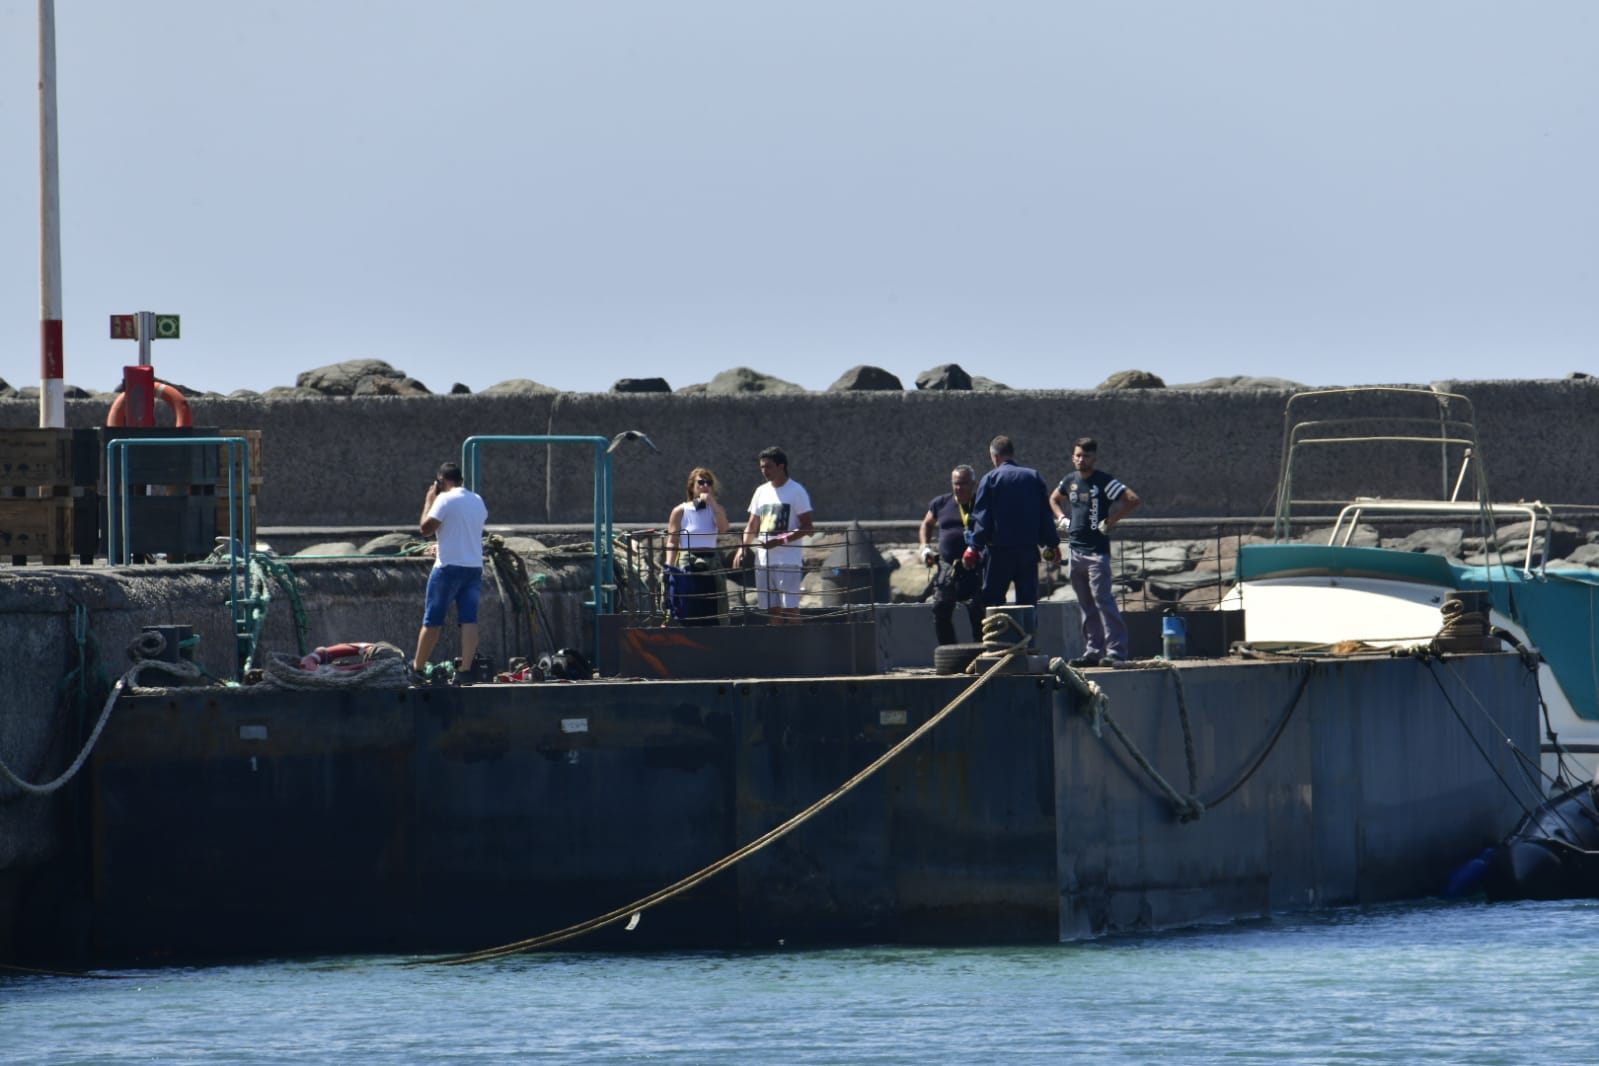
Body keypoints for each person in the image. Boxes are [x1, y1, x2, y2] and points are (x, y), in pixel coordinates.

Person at [1050, 436, 1141, 667]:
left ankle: (1117, 650)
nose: (1081, 460)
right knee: (1085, 603)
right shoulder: (1069, 481)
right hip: (1075, 549)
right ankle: (1093, 650)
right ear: (1073, 457)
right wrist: (1061, 518)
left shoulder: (1103, 481)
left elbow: (1131, 499)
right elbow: (1053, 498)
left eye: (1086, 456)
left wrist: (1110, 521)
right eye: (1078, 455)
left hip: (1096, 552)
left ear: (1094, 458)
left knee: (1103, 599)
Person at [412, 460, 489, 681]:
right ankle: (465, 670)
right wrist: (442, 545)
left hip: (447, 569)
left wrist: (429, 501)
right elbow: (464, 530)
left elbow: (425, 529)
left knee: (433, 620)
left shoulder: (444, 499)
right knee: (469, 620)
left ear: (442, 481)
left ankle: (417, 668)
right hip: (473, 568)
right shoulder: (477, 500)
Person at [968, 436, 1060, 607]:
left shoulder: (990, 479)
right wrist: (1052, 544)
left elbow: (982, 517)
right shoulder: (1033, 477)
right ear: (1012, 454)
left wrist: (974, 547)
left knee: (992, 603)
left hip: (998, 554)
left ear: (994, 456)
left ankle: (996, 633)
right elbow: (1045, 515)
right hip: (1028, 552)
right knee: (1027, 603)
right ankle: (1028, 634)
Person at [732, 446, 814, 623]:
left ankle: (798, 646)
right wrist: (743, 548)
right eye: (762, 467)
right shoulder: (761, 491)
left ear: (781, 466)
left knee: (791, 609)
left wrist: (781, 540)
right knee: (772, 610)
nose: (764, 471)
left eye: (768, 467)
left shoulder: (796, 491)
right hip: (763, 560)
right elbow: (752, 525)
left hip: (788, 561)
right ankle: (777, 646)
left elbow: (808, 527)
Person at [919, 464, 985, 645]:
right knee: (940, 607)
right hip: (948, 566)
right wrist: (925, 547)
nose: (959, 488)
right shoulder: (941, 503)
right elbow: (927, 524)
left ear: (973, 484)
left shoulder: (982, 503)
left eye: (963, 483)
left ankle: (983, 652)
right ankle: (948, 651)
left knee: (978, 610)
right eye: (955, 483)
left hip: (975, 566)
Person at [664, 466, 730, 626]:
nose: (705, 485)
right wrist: (668, 566)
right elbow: (672, 540)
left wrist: (713, 504)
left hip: (711, 561)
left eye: (709, 482)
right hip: (689, 560)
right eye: (701, 482)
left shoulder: (716, 509)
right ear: (692, 487)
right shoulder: (680, 510)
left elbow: (724, 528)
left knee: (713, 604)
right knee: (689, 604)